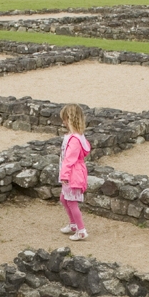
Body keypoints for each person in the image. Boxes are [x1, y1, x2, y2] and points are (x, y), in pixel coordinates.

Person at [58, 103, 92, 242]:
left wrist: (64, 175)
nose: (63, 122)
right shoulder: (76, 137)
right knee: (63, 199)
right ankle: (73, 225)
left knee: (72, 203)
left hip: (72, 175)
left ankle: (81, 230)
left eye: (65, 119)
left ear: (70, 119)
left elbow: (70, 159)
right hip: (70, 173)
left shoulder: (75, 140)